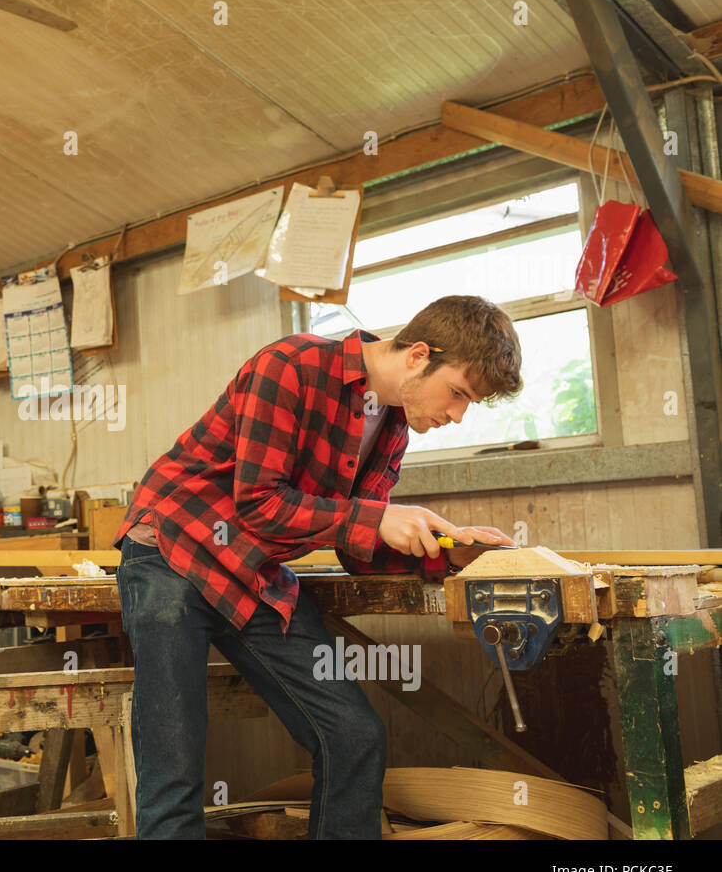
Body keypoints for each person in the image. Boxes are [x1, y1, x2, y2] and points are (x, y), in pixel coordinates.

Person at [114, 294, 524, 839]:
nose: (456, 415)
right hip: (171, 546)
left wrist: (449, 553)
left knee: (353, 735)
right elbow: (260, 503)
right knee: (175, 763)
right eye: (457, 394)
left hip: (250, 569)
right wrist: (375, 516)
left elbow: (357, 547)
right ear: (418, 354)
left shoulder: (393, 427)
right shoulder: (291, 366)